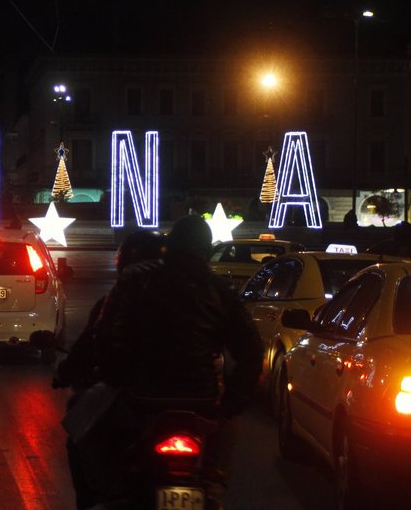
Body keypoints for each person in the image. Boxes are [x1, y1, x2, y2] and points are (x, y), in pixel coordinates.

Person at [84, 215, 264, 506]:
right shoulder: (222, 290)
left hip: (142, 399)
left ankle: (111, 495)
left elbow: (107, 336)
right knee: (220, 455)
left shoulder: (136, 279)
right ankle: (213, 487)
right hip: (201, 402)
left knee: (91, 440)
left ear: (170, 245)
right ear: (206, 249)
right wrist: (228, 408)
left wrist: (114, 376)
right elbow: (252, 353)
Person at [52, 230, 164, 509]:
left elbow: (95, 342)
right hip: (196, 400)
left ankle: (102, 496)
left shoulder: (119, 297)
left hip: (134, 396)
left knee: (81, 429)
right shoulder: (200, 294)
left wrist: (74, 372)